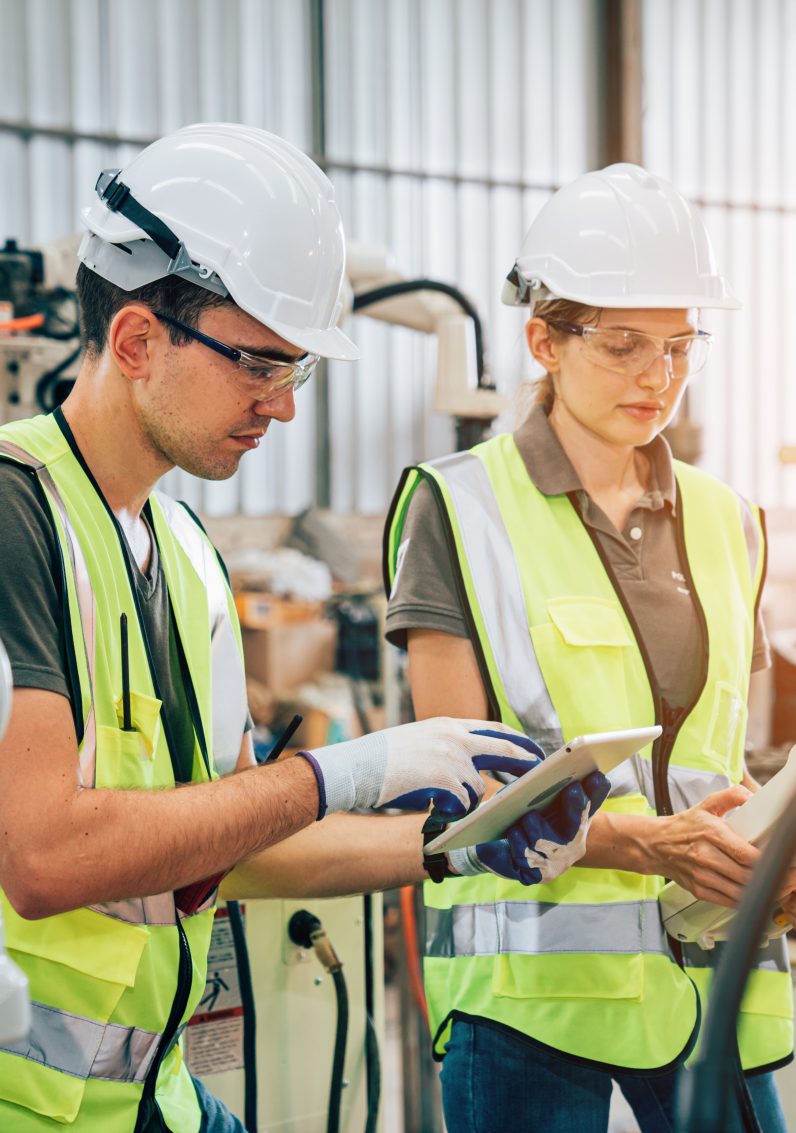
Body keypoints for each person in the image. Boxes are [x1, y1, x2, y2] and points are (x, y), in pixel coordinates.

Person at [0, 124, 609, 1133]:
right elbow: (41, 858)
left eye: (296, 373)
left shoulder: (187, 553)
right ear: (137, 341)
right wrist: (344, 769)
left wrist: (450, 848)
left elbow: (235, 849)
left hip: (154, 1099)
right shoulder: (19, 516)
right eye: (259, 366)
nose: (280, 407)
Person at [384, 163, 796, 1133]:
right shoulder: (460, 505)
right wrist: (639, 840)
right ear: (543, 339)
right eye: (622, 346)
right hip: (532, 1000)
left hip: (710, 974)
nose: (657, 377)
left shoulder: (727, 518)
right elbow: (454, 787)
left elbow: (728, 761)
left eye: (678, 346)